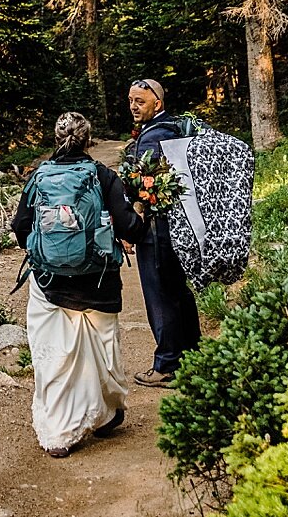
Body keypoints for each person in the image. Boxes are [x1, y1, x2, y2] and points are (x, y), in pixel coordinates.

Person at [11, 111, 148, 457]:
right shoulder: (102, 176)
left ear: (56, 139)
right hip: (98, 281)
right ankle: (105, 414)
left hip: (50, 283)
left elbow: (20, 225)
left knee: (56, 355)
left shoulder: (39, 176)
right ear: (89, 140)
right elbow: (130, 226)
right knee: (103, 349)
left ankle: (59, 431)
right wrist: (141, 215)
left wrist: (46, 253)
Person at [124, 78, 202, 386]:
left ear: (158, 103)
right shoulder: (174, 129)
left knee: (160, 296)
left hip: (157, 229)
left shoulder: (154, 137)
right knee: (177, 291)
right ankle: (193, 356)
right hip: (179, 226)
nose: (133, 106)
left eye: (140, 101)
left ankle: (167, 365)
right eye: (131, 100)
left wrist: (132, 225)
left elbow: (145, 187)